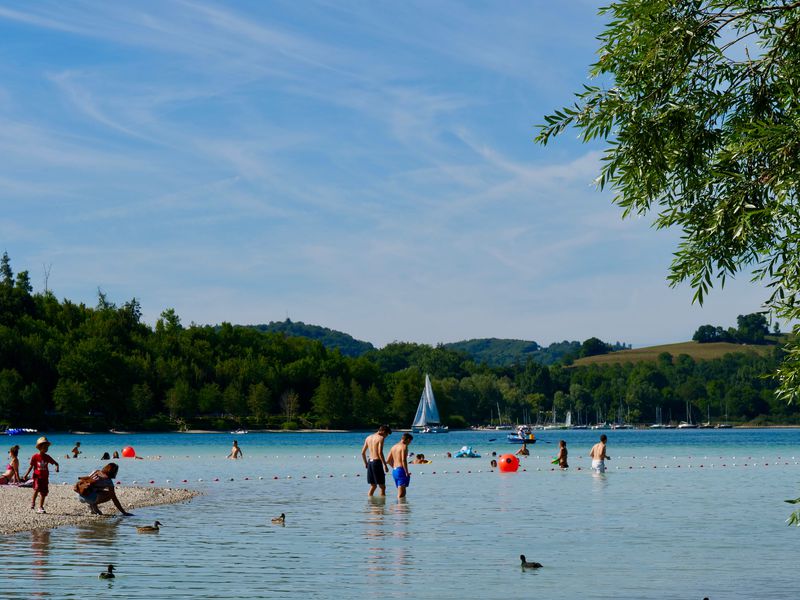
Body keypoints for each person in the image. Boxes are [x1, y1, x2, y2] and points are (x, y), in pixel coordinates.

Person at [23, 437, 59, 513]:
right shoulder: (35, 457)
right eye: (45, 447)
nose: (46, 448)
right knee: (37, 489)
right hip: (37, 477)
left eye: (47, 447)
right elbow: (31, 466)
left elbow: (56, 463)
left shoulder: (47, 457)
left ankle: (40, 507)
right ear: (39, 447)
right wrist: (26, 475)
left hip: (45, 477)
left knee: (44, 493)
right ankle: (33, 502)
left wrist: (57, 468)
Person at [360, 425, 391, 496]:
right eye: (387, 434)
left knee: (373, 486)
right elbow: (380, 452)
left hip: (370, 462)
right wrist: (385, 465)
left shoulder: (368, 437)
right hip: (377, 462)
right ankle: (382, 505)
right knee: (382, 487)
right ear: (383, 431)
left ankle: (370, 503)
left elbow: (362, 452)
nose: (386, 436)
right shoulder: (381, 438)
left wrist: (365, 463)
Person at [387, 433, 413, 499]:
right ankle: (399, 508)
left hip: (395, 471)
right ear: (407, 439)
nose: (410, 443)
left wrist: (395, 468)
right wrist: (406, 472)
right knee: (401, 494)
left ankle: (401, 508)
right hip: (401, 470)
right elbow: (403, 460)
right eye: (410, 441)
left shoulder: (394, 446)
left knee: (401, 492)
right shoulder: (404, 446)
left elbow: (388, 460)